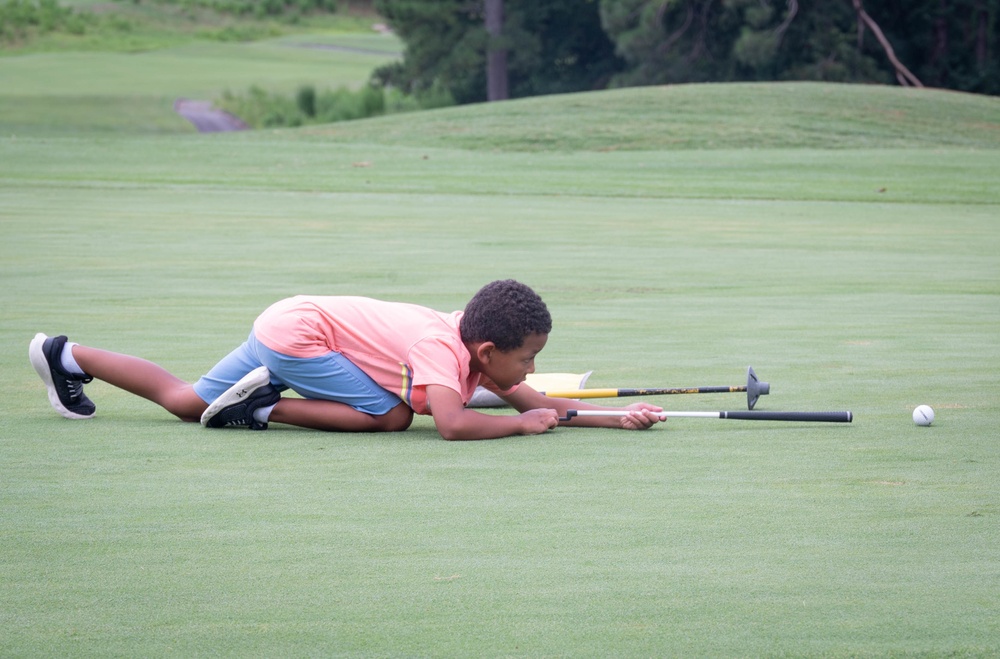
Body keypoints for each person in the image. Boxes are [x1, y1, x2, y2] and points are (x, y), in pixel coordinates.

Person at [29, 280, 663, 440]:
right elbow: (450, 424)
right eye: (526, 360)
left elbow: (537, 402)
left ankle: (64, 354)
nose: (529, 374)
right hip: (301, 339)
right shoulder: (443, 348)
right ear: (487, 351)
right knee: (390, 417)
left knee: (185, 402)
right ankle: (262, 406)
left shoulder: (471, 345)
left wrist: (616, 418)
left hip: (290, 323)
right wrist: (518, 425)